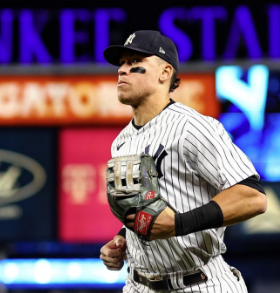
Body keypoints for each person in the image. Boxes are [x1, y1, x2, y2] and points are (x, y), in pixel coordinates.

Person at [99, 30, 267, 292]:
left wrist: (179, 224)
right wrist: (122, 239)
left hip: (200, 281)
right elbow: (142, 205)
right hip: (138, 283)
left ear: (165, 72)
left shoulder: (193, 127)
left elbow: (253, 197)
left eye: (135, 63)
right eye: (122, 63)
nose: (122, 70)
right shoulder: (121, 141)